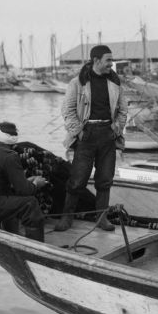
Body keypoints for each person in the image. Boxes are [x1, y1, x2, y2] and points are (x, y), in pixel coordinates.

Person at [55, 44, 128, 232]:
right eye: (108, 60)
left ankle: (101, 218)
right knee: (77, 180)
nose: (111, 64)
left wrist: (117, 129)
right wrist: (79, 132)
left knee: (105, 180)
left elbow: (123, 110)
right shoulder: (77, 83)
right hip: (86, 136)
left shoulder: (115, 82)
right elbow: (68, 111)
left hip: (107, 135)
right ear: (96, 61)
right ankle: (67, 217)